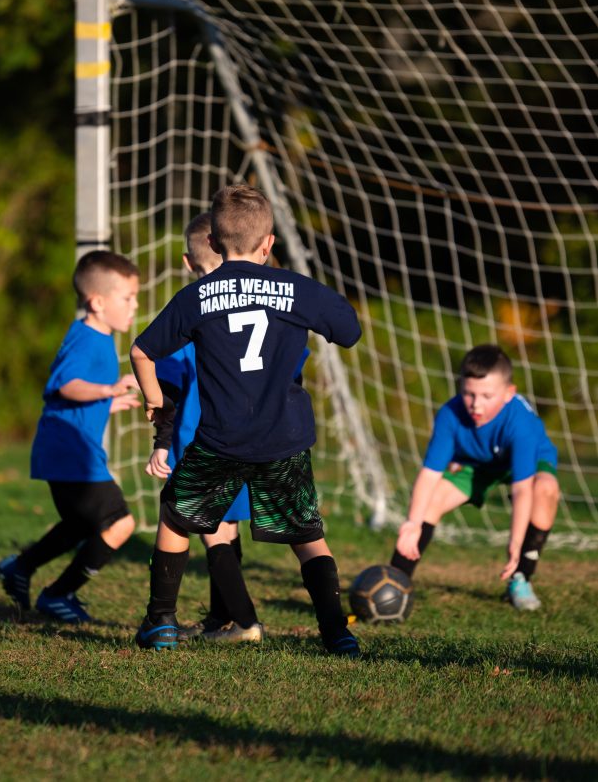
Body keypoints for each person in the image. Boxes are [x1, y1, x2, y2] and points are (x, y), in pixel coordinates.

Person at [131, 184, 362, 656]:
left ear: (212, 244)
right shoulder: (294, 288)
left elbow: (141, 351)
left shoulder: (197, 296)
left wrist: (156, 401)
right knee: (308, 535)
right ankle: (338, 635)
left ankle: (160, 624)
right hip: (284, 437)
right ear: (269, 243)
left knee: (176, 515)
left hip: (221, 440)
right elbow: (350, 331)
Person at [0, 251, 141, 623]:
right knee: (119, 523)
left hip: (64, 450)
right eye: (127, 297)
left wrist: (108, 404)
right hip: (71, 454)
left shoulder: (96, 335)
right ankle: (58, 594)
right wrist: (109, 390)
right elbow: (67, 385)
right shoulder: (89, 340)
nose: (135, 304)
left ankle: (21, 567)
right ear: (97, 302)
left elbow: (76, 396)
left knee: (80, 525)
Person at [391, 343, 560, 611]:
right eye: (469, 394)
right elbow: (430, 474)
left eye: (486, 396)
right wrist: (413, 522)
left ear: (508, 394)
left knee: (546, 489)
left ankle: (521, 576)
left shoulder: (521, 423)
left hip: (526, 464)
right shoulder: (450, 414)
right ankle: (395, 583)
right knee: (432, 500)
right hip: (475, 464)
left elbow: (521, 489)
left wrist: (514, 543)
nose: (476, 404)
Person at [147, 212, 253, 639]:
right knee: (226, 528)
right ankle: (223, 617)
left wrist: (161, 441)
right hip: (250, 441)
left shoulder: (189, 313)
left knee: (188, 524)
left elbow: (168, 389)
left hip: (200, 445)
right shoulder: (256, 310)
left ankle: (168, 620)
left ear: (188, 263)